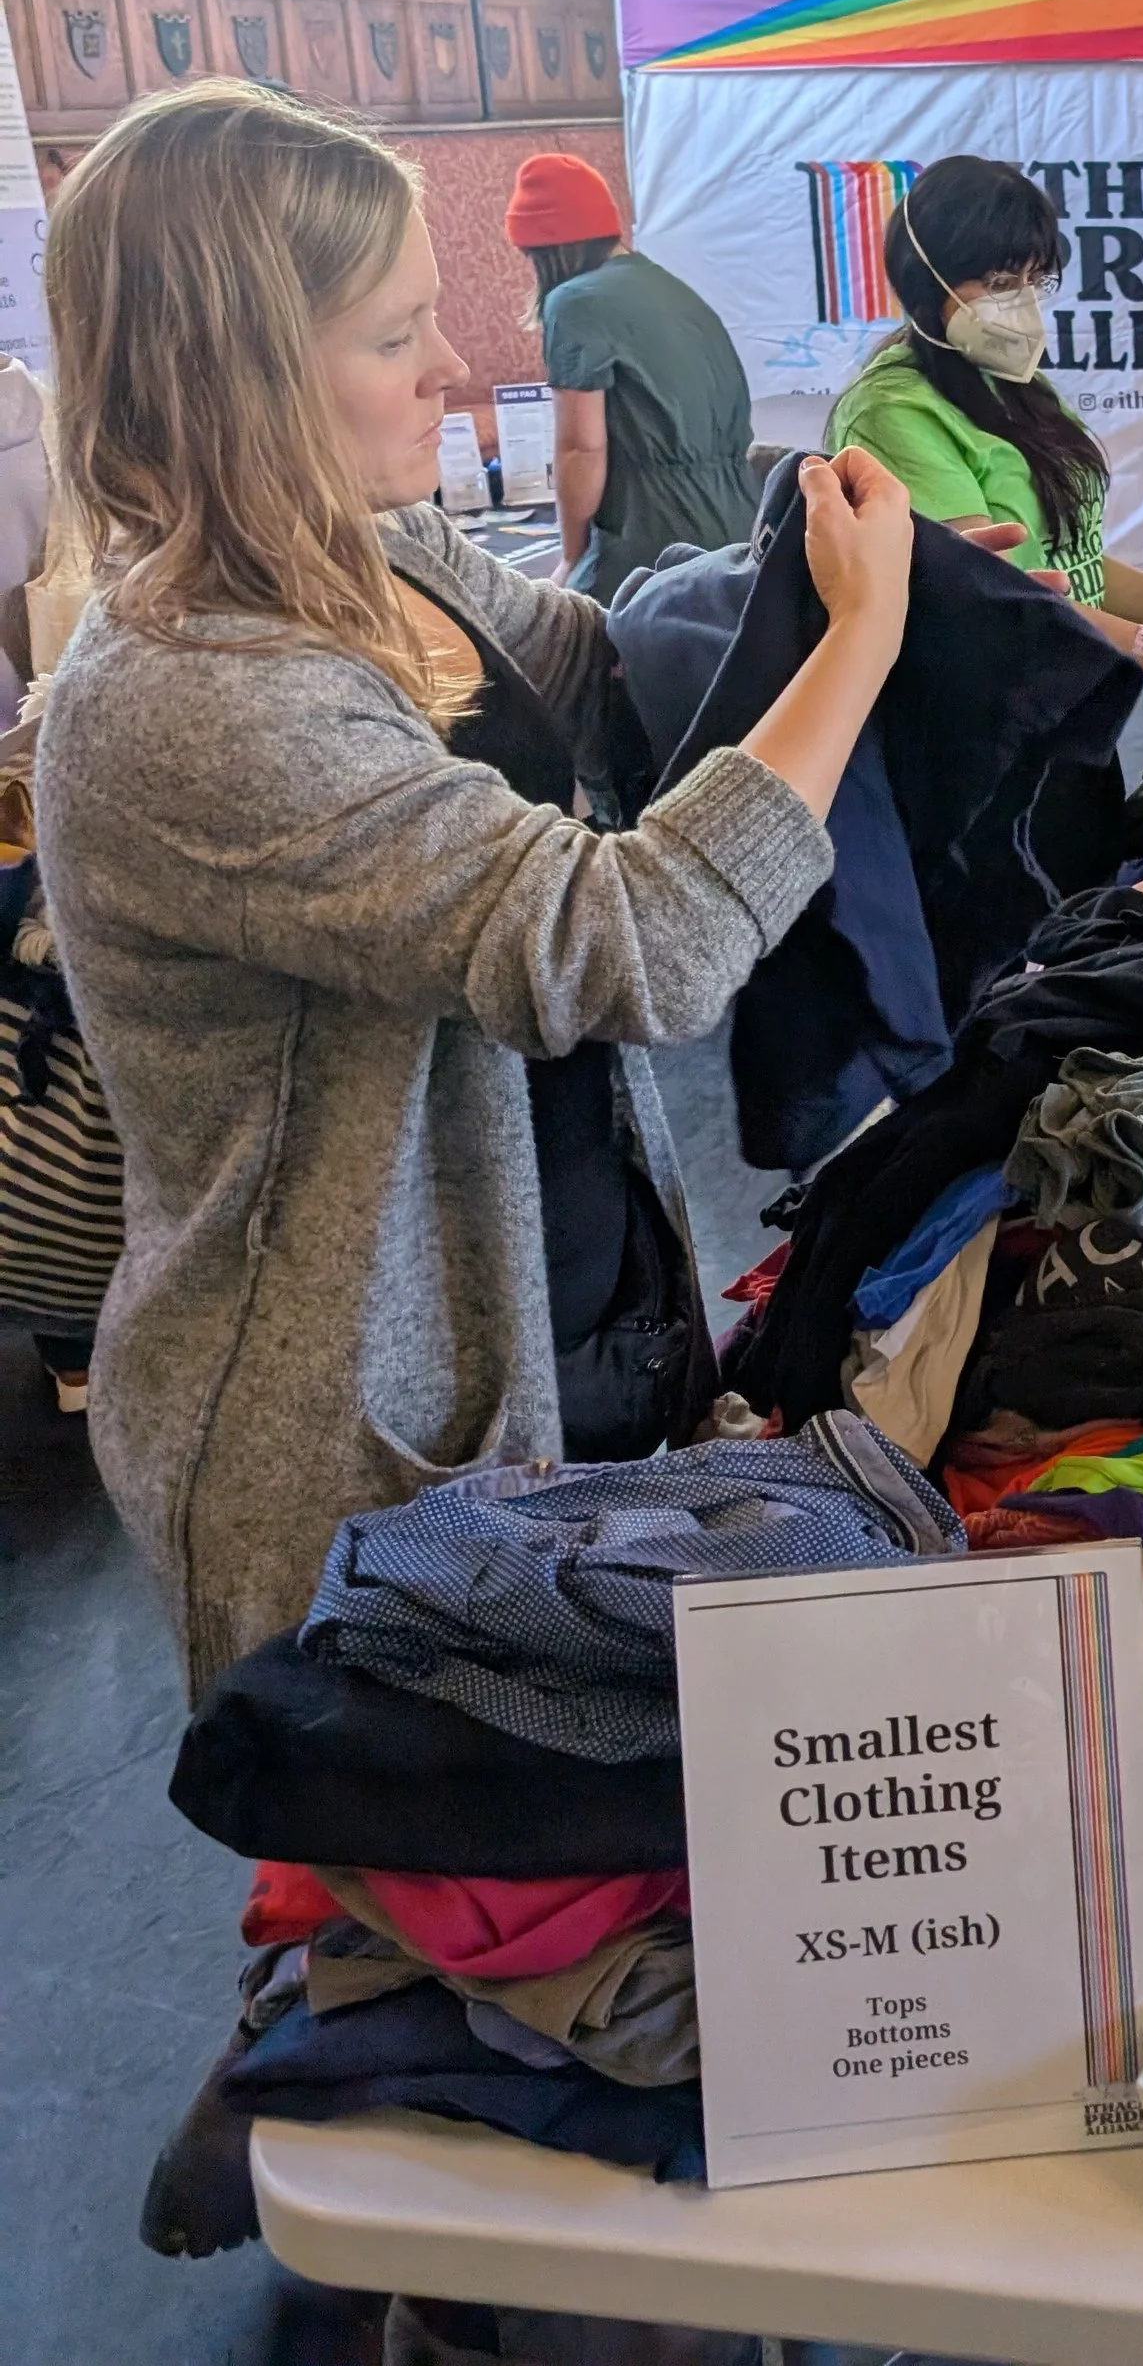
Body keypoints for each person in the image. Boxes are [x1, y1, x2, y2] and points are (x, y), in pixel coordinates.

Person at [34, 86, 917, 1701]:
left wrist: (808, 581)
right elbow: (624, 943)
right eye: (396, 338)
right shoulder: (195, 693)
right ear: (238, 383)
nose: (455, 371)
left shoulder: (380, 557)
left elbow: (605, 672)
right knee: (424, 1928)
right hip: (351, 1441)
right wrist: (859, 644)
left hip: (554, 1305)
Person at [831, 154, 1143, 720]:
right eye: (998, 281)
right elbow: (999, 595)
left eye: (1035, 279)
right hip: (983, 724)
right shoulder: (892, 414)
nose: (1024, 300)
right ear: (924, 278)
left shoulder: (1012, 383)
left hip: (1068, 702)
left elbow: (1072, 565)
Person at [503, 149, 760, 600]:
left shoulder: (574, 302)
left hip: (655, 535)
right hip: (741, 525)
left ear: (547, 251)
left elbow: (581, 447)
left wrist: (572, 557)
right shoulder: (673, 289)